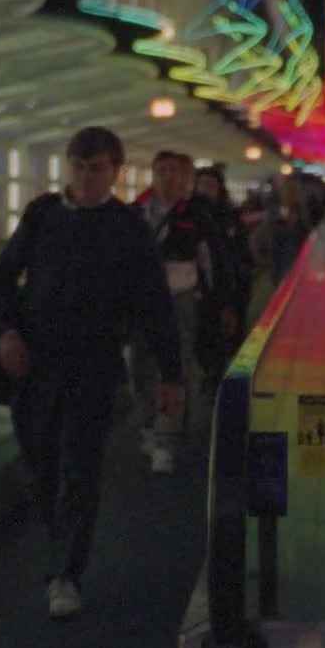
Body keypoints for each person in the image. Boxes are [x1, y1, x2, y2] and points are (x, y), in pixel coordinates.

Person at [0, 126, 182, 620]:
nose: (86, 176)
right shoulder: (43, 215)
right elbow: (0, 278)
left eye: (96, 168)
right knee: (42, 466)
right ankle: (61, 556)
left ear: (115, 174)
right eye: (78, 165)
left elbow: (155, 306)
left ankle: (64, 573)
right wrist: (7, 331)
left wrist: (172, 375)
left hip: (92, 369)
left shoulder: (127, 228)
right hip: (35, 367)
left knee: (79, 468)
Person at [136, 150, 217, 475]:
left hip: (181, 300)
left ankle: (165, 440)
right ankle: (149, 422)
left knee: (176, 366)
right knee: (141, 364)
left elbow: (209, 261)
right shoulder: (135, 212)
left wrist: (212, 301)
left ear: (187, 178)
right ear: (153, 174)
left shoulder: (196, 214)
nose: (168, 177)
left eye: (175, 171)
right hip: (140, 300)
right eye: (162, 170)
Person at [193, 164, 251, 389]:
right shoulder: (189, 216)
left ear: (219, 189)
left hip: (232, 288)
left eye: (212, 185)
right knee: (207, 339)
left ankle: (222, 379)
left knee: (229, 335)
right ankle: (213, 375)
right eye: (203, 185)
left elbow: (241, 251)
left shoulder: (230, 217)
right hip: (204, 291)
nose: (207, 189)